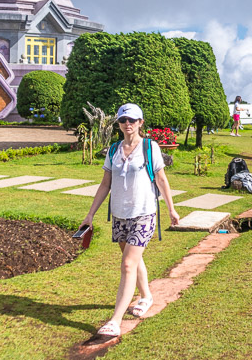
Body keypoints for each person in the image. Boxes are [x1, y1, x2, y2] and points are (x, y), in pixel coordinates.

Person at [80, 103, 180, 338]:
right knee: (133, 261)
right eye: (123, 120)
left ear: (140, 123)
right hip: (119, 215)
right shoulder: (114, 149)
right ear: (119, 123)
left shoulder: (149, 147)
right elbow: (105, 184)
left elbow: (162, 181)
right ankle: (146, 296)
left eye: (132, 120)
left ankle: (115, 321)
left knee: (127, 264)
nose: (128, 124)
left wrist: (171, 210)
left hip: (144, 213)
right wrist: (90, 214)